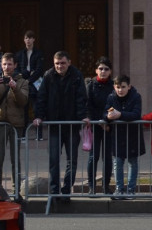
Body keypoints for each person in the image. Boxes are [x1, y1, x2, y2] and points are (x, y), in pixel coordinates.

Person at [33, 51, 87, 200]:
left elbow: (81, 97)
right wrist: (38, 115)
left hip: (71, 125)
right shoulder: (48, 76)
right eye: (57, 63)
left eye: (62, 63)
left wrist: (83, 116)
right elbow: (41, 97)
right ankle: (55, 190)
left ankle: (66, 190)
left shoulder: (76, 75)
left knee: (72, 160)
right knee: (54, 160)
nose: (60, 66)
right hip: (54, 125)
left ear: (69, 62)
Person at [0, 53, 29, 191]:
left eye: (9, 64)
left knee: (15, 158)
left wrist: (15, 88)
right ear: (1, 65)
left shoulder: (23, 82)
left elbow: (23, 101)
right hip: (0, 122)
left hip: (16, 124)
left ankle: (16, 190)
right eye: (4, 64)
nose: (7, 67)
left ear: (15, 65)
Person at [105, 74, 144, 199]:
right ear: (114, 87)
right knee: (118, 162)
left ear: (129, 87)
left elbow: (136, 114)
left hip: (133, 134)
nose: (120, 90)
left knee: (132, 162)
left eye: (123, 87)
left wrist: (120, 115)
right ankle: (119, 189)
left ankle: (131, 190)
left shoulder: (136, 96)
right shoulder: (111, 97)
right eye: (118, 87)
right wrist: (107, 117)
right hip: (117, 135)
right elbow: (105, 111)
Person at [85, 57, 114, 195]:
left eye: (106, 69)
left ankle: (106, 186)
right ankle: (92, 186)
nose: (103, 71)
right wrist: (97, 120)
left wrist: (106, 121)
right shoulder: (90, 85)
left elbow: (114, 105)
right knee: (93, 156)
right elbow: (88, 105)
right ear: (96, 70)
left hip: (109, 126)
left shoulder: (114, 85)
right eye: (101, 69)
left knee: (107, 157)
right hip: (95, 126)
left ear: (110, 71)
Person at [18, 31, 46, 139]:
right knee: (23, 109)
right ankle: (24, 134)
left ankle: (39, 135)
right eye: (26, 38)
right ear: (24, 40)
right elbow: (20, 69)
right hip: (24, 84)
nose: (28, 40)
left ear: (34, 39)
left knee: (36, 108)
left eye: (30, 38)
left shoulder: (38, 53)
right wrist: (28, 74)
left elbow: (39, 70)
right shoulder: (20, 54)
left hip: (35, 84)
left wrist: (29, 79)